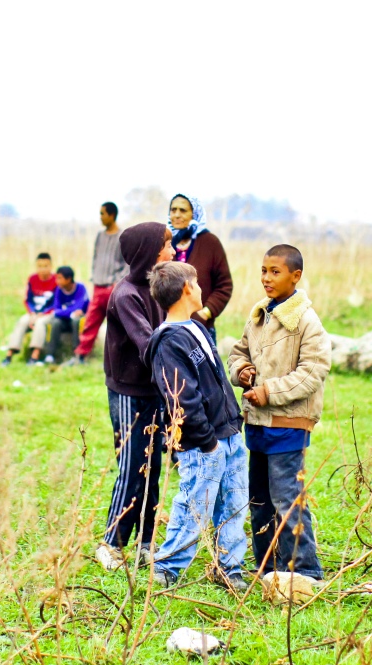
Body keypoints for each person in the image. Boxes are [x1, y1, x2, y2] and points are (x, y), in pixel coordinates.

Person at [227, 244, 331, 584]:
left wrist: (268, 391)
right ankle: (268, 567)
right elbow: (238, 352)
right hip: (257, 423)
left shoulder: (306, 321)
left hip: (288, 425)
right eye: (263, 271)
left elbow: (312, 371)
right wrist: (241, 370)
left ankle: (304, 570)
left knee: (287, 498)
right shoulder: (259, 314)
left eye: (275, 272)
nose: (266, 278)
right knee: (259, 499)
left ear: (295, 276)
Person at [147, 261, 250, 592]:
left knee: (234, 503)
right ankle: (166, 566)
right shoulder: (168, 341)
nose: (202, 286)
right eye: (197, 281)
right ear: (187, 289)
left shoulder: (198, 328)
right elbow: (182, 399)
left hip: (228, 434)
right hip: (202, 443)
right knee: (194, 505)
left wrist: (232, 424)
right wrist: (208, 443)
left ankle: (229, 566)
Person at [96, 222, 175, 571]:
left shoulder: (157, 289)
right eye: (167, 246)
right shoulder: (125, 294)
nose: (172, 252)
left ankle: (146, 542)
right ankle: (111, 543)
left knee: (153, 466)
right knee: (131, 465)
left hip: (154, 388)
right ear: (148, 252)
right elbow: (148, 344)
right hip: (129, 390)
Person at [64, 202, 128, 366]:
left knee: (117, 326)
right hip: (98, 287)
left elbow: (126, 264)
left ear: (111, 215)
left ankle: (117, 360)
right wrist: (94, 275)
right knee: (90, 322)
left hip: (112, 289)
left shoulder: (122, 237)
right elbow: (95, 258)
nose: (100, 217)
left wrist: (116, 283)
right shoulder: (100, 236)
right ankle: (81, 356)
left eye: (102, 214)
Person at [166, 194, 233, 344]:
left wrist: (205, 313)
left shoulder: (210, 243)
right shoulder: (165, 242)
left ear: (194, 214)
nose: (176, 215)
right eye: (173, 210)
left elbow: (225, 285)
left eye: (183, 210)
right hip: (169, 328)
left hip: (201, 328)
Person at [27, 266, 89, 365]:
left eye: (60, 278)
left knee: (76, 320)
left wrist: (65, 311)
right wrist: (70, 312)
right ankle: (50, 355)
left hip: (77, 321)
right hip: (64, 320)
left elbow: (79, 307)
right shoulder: (59, 290)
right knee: (55, 322)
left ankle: (77, 354)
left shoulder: (80, 288)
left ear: (68, 279)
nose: (57, 281)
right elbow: (56, 309)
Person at [2, 253, 56, 366]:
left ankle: (34, 356)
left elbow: (56, 302)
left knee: (40, 324)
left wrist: (42, 314)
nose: (43, 269)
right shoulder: (32, 279)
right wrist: (31, 313)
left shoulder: (56, 280)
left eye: (46, 266)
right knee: (22, 321)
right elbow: (27, 299)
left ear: (51, 266)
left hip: (48, 313)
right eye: (40, 266)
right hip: (33, 313)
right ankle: (9, 354)